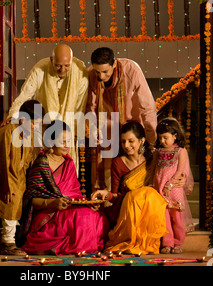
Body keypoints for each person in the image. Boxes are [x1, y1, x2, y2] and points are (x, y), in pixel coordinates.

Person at [91, 121, 185, 255]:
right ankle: (134, 240)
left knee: (149, 193)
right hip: (129, 207)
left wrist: (181, 179)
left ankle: (150, 242)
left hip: (151, 205)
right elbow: (116, 194)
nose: (126, 146)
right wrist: (106, 194)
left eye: (131, 141)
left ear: (142, 141)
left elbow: (169, 172)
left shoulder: (153, 158)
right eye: (123, 142)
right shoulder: (118, 162)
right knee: (137, 196)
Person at [20, 120, 109, 255]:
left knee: (95, 215)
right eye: (63, 141)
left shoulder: (69, 163)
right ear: (50, 142)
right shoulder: (41, 163)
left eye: (69, 141)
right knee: (82, 216)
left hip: (69, 207)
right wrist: (54, 202)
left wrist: (88, 203)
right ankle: (76, 247)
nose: (67, 145)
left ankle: (81, 247)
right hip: (49, 211)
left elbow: (75, 194)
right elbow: (31, 199)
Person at [5, 44, 89, 168]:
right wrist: (12, 117)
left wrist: (76, 134)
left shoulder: (80, 71)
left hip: (66, 132)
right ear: (51, 60)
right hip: (44, 130)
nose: (62, 70)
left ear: (72, 61)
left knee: (67, 173)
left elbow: (80, 107)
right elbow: (24, 97)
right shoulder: (40, 69)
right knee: (42, 169)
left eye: (67, 66)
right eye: (58, 65)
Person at [86, 47, 157, 191]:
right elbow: (91, 107)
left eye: (105, 71)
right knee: (107, 178)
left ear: (114, 64)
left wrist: (152, 140)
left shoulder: (131, 69)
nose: (101, 77)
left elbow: (147, 106)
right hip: (106, 132)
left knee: (136, 179)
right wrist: (94, 131)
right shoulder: (91, 74)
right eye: (97, 72)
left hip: (130, 130)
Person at [0, 100, 46, 255]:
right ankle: (7, 243)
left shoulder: (25, 135)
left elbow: (27, 160)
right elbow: (2, 160)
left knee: (16, 211)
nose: (36, 127)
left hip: (19, 181)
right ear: (23, 119)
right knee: (8, 209)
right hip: (7, 180)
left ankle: (13, 241)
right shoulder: (8, 131)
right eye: (34, 123)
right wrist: (5, 185)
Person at [153, 117, 194, 254]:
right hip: (159, 189)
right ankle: (167, 243)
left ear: (175, 136)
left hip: (174, 188)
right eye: (160, 138)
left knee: (176, 218)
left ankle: (178, 242)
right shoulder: (158, 152)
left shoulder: (181, 151)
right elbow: (155, 170)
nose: (162, 141)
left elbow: (180, 171)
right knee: (164, 218)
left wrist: (169, 186)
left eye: (165, 137)